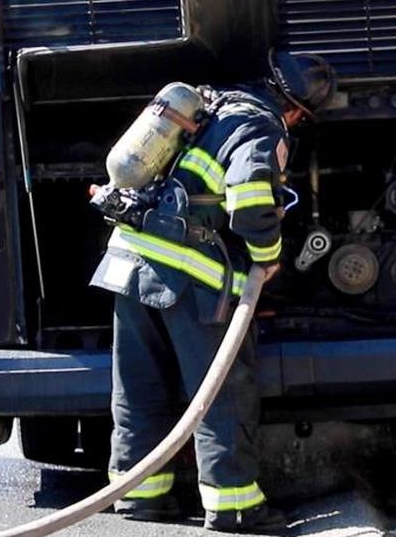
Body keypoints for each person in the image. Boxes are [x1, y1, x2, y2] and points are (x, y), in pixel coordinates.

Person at [89, 50, 336, 534]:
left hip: (129, 258)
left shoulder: (212, 105)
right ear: (295, 110)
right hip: (188, 273)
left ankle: (139, 498)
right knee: (220, 391)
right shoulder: (260, 126)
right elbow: (248, 201)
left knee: (141, 386)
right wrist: (268, 255)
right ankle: (234, 506)